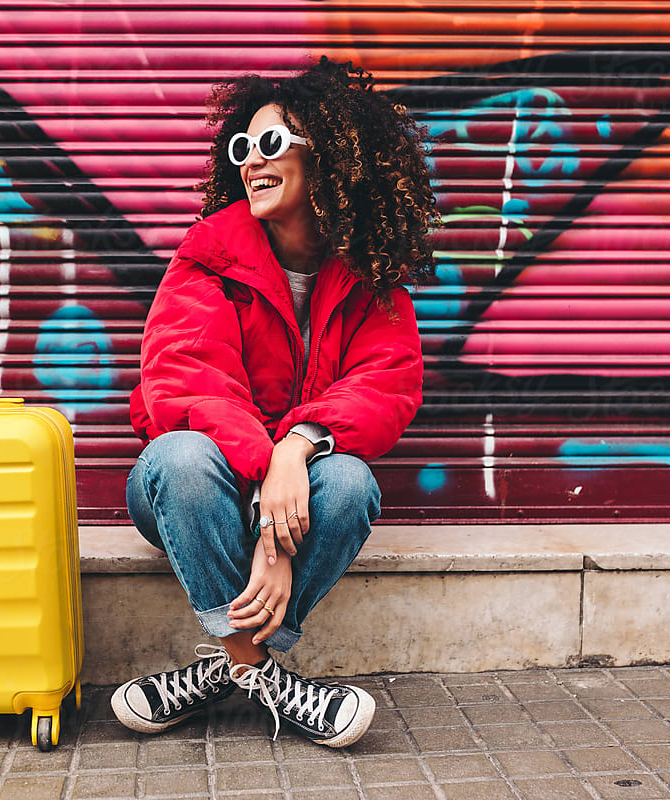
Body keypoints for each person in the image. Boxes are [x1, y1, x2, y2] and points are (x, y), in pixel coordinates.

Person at [111, 58, 439, 748]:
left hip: (296, 488)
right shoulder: (207, 259)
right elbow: (188, 383)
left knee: (349, 481)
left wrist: (299, 446)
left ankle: (225, 673)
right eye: (242, 148)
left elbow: (387, 385)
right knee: (181, 455)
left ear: (329, 160)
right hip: (190, 495)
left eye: (270, 144)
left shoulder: (372, 279)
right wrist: (269, 495)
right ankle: (272, 679)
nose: (251, 163)